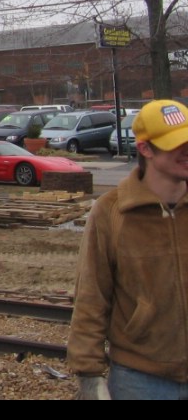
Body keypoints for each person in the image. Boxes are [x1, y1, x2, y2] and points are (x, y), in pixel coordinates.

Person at [68, 98, 188, 400]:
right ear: (146, 149)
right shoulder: (112, 212)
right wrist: (89, 375)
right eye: (176, 143)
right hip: (141, 379)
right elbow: (91, 295)